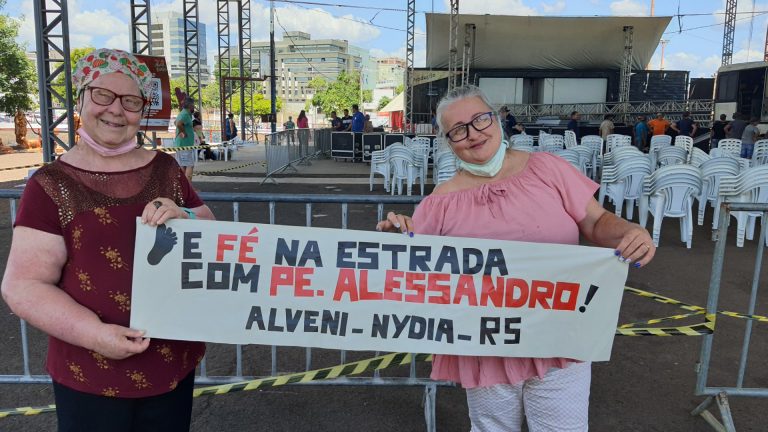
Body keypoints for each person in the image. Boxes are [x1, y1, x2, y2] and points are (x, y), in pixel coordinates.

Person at [376, 85, 655, 432]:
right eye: (458, 129)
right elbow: (415, 265)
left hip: (559, 334)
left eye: (480, 119)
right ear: (448, 142)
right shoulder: (440, 202)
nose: (473, 134)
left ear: (497, 119)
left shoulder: (548, 169)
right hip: (486, 345)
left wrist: (631, 231)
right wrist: (396, 239)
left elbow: (596, 221)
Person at [1, 48, 215, 432]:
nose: (116, 110)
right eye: (103, 95)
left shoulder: (166, 169)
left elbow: (210, 227)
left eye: (131, 101)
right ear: (81, 99)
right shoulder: (50, 185)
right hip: (89, 372)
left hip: (171, 363)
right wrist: (94, 334)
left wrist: (184, 215)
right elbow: (24, 286)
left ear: (141, 110)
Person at [174, 97, 196, 181]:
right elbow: (178, 124)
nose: (194, 106)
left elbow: (176, 122)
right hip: (185, 145)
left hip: (181, 144)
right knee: (190, 165)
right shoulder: (185, 114)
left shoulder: (182, 113)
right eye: (193, 105)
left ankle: (183, 186)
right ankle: (188, 186)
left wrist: (181, 131)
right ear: (190, 105)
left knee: (182, 166)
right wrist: (184, 132)